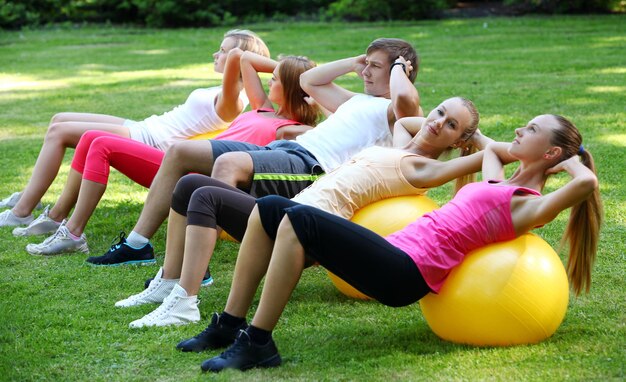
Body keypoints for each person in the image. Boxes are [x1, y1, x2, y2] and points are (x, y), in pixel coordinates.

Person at [194, 114, 602, 372]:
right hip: (393, 250)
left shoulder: (527, 206)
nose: (519, 128)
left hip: (406, 273)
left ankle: (259, 342)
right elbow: (493, 150)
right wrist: (490, 140)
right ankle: (230, 325)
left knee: (297, 217)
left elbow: (587, 184)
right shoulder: (499, 183)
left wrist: (573, 161)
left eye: (530, 129)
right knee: (269, 208)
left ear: (550, 152)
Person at [113, 97, 491, 328]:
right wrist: (451, 129)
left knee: (206, 197)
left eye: (450, 125)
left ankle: (185, 301)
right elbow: (409, 122)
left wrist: (478, 141)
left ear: (457, 140)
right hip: (295, 210)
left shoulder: (427, 168)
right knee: (189, 184)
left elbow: (497, 153)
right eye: (440, 111)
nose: (437, 121)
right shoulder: (402, 144)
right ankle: (169, 280)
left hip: (305, 229)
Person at [88, 37, 422, 267]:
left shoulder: (392, 110)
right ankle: (136, 244)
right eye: (367, 64)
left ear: (398, 73)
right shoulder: (357, 100)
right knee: (180, 153)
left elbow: (408, 101)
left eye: (374, 67)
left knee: (228, 165)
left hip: (310, 166)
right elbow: (309, 80)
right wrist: (355, 62)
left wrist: (397, 70)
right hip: (285, 150)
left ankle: (194, 270)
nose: (365, 71)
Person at [23, 51, 321, 256]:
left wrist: (302, 78)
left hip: (195, 173)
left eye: (277, 79)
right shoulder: (263, 107)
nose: (270, 79)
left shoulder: (289, 129)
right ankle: (60, 218)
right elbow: (242, 58)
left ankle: (73, 234)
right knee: (90, 138)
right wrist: (292, 68)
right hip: (184, 163)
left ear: (293, 89)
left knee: (100, 143)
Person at [0, 30, 269, 228]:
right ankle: (27, 196)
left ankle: (23, 210)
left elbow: (235, 58)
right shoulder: (221, 90)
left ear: (241, 60)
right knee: (59, 119)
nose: (217, 54)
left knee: (59, 134)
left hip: (150, 142)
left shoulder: (233, 101)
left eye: (222, 51)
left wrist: (238, 55)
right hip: (145, 127)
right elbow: (234, 58)